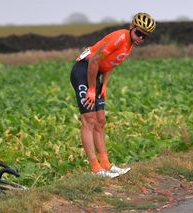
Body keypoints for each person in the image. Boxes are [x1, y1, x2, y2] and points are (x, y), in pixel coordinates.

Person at [70, 12, 156, 178]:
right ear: (132, 27)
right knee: (89, 120)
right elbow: (94, 60)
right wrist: (92, 89)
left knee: (101, 120)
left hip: (95, 75)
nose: (140, 38)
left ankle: (106, 165)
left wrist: (105, 85)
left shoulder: (130, 45)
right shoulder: (121, 37)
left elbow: (109, 63)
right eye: (138, 33)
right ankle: (95, 169)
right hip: (83, 70)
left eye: (144, 36)